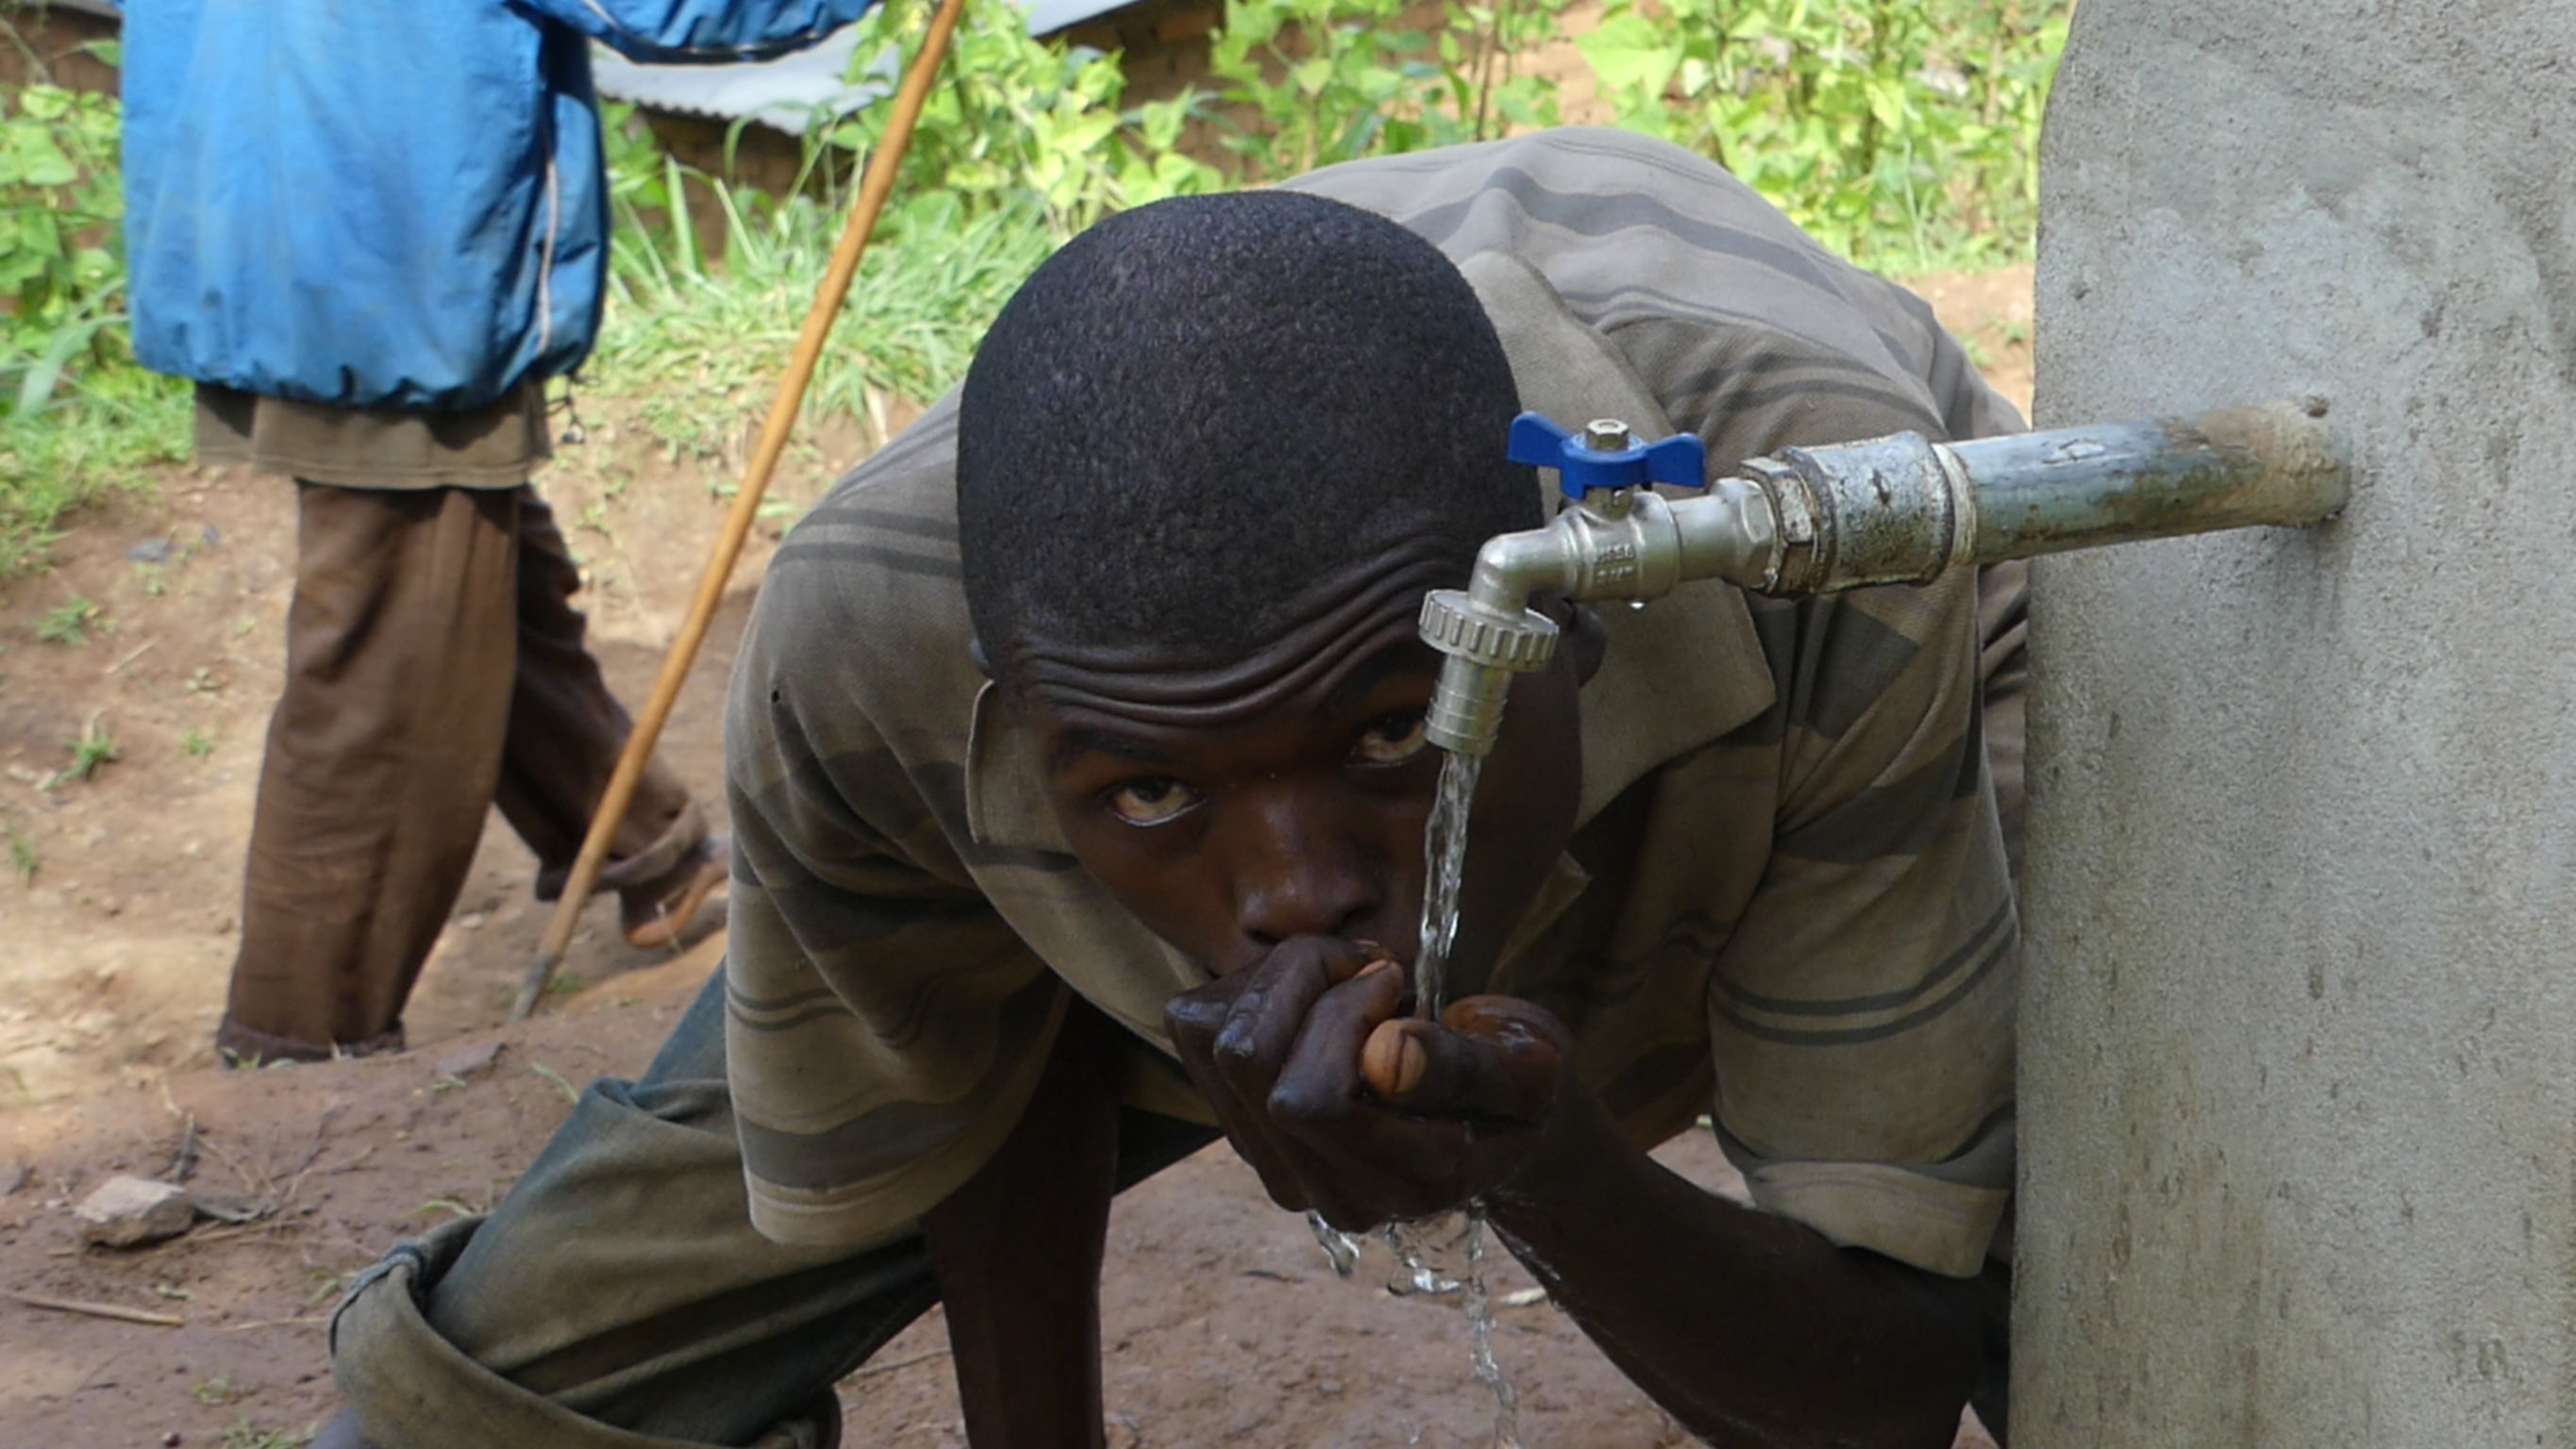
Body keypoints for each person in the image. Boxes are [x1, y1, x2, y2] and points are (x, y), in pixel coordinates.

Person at [321, 125, 2030, 1448]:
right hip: (1284, 710)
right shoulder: (869, 648)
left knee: (2074, 1276)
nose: (1291, 895)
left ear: (1565, 622)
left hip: (1847, 658)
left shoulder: (1819, 530)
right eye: (1150, 792)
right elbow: (968, 1084)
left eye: (1385, 732)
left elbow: (1873, 1391)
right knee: (463, 1403)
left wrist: (1551, 1169)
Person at [119, 0, 872, 1062]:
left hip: (252, 204)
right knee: (387, 660)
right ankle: (294, 1045)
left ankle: (650, 856)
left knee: (472, 572)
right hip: (394, 245)